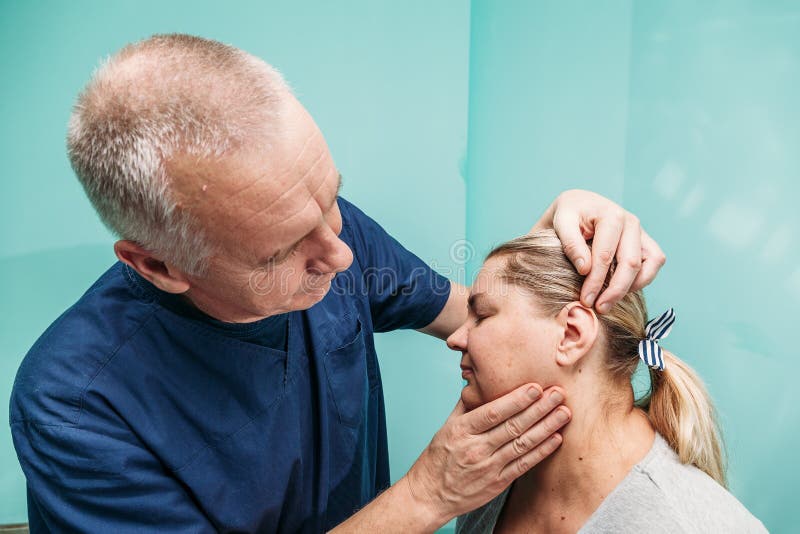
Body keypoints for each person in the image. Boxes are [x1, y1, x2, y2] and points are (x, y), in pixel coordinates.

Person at [10, 34, 666, 533]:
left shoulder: (320, 230)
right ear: (159, 266)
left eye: (331, 201)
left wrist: (553, 242)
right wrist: (424, 498)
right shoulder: (78, 411)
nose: (342, 255)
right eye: (281, 253)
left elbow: (477, 313)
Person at [450, 230, 767, 533]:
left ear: (572, 334)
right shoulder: (482, 476)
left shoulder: (689, 524)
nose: (455, 338)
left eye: (482, 316)